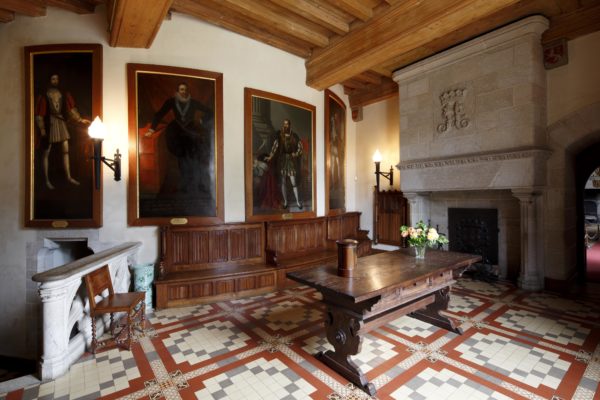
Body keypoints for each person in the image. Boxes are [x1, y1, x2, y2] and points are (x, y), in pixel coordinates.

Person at [145, 82, 213, 193]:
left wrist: (202, 120)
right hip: (178, 131)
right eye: (181, 89)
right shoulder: (171, 101)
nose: (183, 91)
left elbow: (209, 111)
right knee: (182, 159)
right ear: (177, 91)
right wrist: (151, 129)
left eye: (185, 89)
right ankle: (184, 185)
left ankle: (199, 184)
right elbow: (159, 114)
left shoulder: (193, 102)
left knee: (196, 157)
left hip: (191, 130)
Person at [35, 73, 90, 189]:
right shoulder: (44, 95)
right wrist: (42, 129)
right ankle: (46, 180)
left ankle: (68, 177)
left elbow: (71, 109)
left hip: (61, 122)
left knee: (66, 150)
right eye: (53, 79)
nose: (55, 81)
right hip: (49, 123)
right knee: (46, 152)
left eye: (56, 79)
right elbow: (39, 114)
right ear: (49, 80)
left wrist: (80, 119)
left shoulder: (63, 94)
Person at [265, 118, 303, 209]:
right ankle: (286, 202)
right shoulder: (280, 135)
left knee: (293, 181)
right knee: (283, 182)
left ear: (290, 125)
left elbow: (300, 147)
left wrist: (296, 154)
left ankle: (298, 202)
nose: (285, 126)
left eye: (287, 124)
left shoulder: (294, 136)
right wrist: (270, 156)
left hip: (291, 160)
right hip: (282, 160)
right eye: (284, 124)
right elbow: (275, 146)